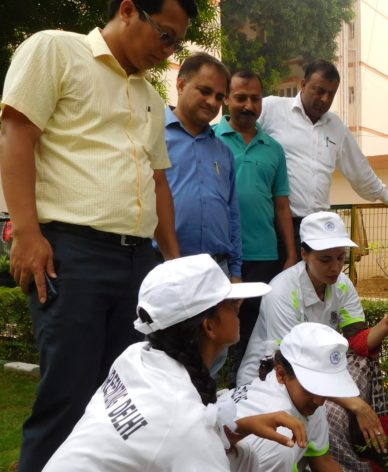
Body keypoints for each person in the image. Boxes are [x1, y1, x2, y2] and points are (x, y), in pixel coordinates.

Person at [0, 0, 192, 469]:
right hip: (71, 254)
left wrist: (175, 262)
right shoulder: (56, 50)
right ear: (128, 9)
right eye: (164, 35)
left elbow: (158, 181)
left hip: (137, 263)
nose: (167, 52)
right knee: (66, 397)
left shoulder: (150, 95)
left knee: (120, 398)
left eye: (176, 43)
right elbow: (15, 132)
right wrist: (26, 231)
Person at [43, 254, 307, 471]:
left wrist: (241, 426)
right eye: (229, 303)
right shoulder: (185, 423)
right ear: (209, 326)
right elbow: (183, 435)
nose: (239, 306)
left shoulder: (136, 357)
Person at [238, 211, 388, 471]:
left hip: (316, 371)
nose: (335, 267)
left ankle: (345, 453)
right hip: (275, 377)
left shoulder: (341, 285)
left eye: (341, 258)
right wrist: (356, 404)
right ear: (304, 254)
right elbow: (290, 366)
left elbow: (358, 343)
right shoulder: (282, 292)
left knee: (360, 365)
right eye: (325, 259)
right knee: (325, 415)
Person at [258, 60, 388, 254]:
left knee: (315, 284)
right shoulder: (272, 109)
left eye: (331, 94)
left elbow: (358, 169)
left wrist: (387, 197)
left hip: (317, 228)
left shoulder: (336, 126)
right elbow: (239, 133)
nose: (324, 99)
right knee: (279, 282)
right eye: (319, 91)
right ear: (303, 85)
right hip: (276, 224)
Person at [214, 69, 296, 385]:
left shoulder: (273, 149)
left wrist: (289, 257)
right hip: (220, 256)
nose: (249, 105)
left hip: (264, 257)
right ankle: (211, 395)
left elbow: (281, 205)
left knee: (255, 334)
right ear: (226, 100)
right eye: (241, 98)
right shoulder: (211, 140)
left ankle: (249, 396)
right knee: (215, 328)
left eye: (255, 98)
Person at [225, 322, 357, 472]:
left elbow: (322, 460)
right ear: (281, 374)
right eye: (311, 388)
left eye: (325, 388)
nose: (320, 401)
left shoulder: (305, 402)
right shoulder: (278, 440)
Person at [163, 52, 241, 282]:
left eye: (219, 97)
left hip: (217, 269)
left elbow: (233, 214)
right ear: (180, 84)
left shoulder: (223, 151)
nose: (212, 102)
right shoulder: (153, 137)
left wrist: (235, 272)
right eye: (205, 91)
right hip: (164, 268)